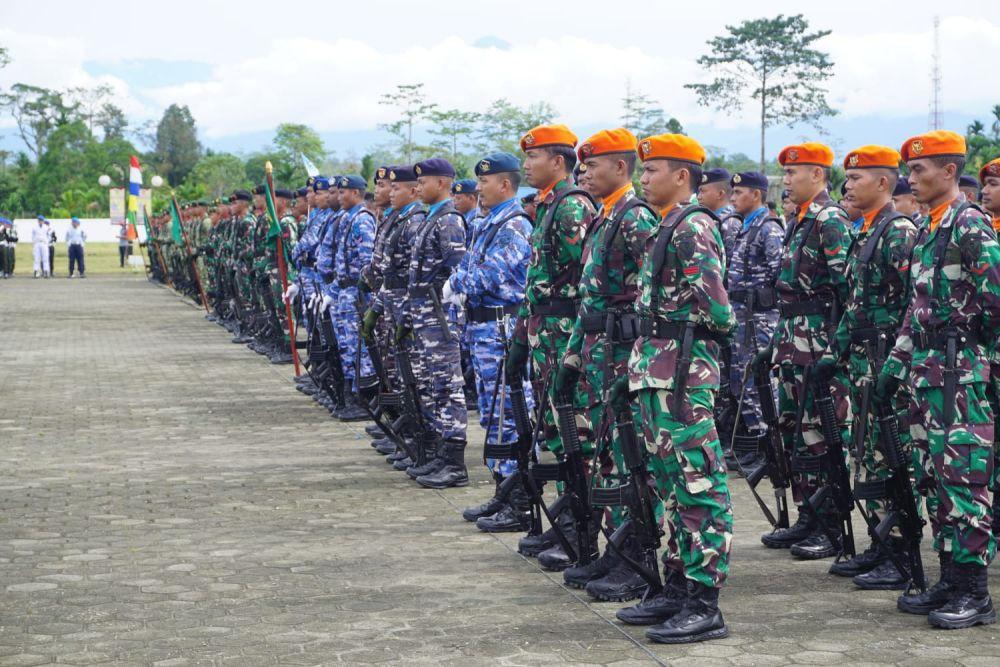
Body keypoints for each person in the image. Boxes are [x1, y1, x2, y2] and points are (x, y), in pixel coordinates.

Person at [611, 132, 736, 643]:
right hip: (657, 370)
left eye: (651, 170)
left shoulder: (692, 228)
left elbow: (719, 311)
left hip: (684, 372)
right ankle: (678, 587)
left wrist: (680, 345)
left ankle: (705, 603)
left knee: (698, 484)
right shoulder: (666, 225)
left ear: (682, 177)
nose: (642, 178)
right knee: (668, 484)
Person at [876, 130, 1000, 629]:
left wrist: (980, 359)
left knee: (966, 480)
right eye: (909, 170)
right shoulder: (931, 227)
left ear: (950, 172)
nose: (912, 178)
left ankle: (974, 591)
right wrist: (894, 366)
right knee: (935, 479)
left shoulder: (970, 226)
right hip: (927, 375)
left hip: (961, 375)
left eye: (920, 169)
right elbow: (917, 308)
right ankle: (950, 576)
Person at [551, 128, 660, 600]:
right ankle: (617, 552)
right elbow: (589, 299)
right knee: (606, 456)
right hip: (599, 353)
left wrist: (639, 361)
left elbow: (655, 295)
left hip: (624, 355)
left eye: (592, 165)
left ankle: (636, 558)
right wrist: (573, 357)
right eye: (581, 165)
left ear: (620, 167)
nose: (583, 173)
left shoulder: (635, 218)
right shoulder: (604, 217)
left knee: (629, 455)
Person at [814, 146, 918, 588]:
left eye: (857, 179)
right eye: (847, 178)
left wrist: (896, 365)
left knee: (893, 458)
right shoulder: (868, 232)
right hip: (862, 362)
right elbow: (856, 307)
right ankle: (881, 543)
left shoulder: (899, 233)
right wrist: (833, 355)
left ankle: (899, 550)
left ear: (883, 183)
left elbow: (918, 304)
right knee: (868, 456)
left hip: (885, 363)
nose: (847, 186)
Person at [754, 142, 854, 559]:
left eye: (795, 173)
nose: (788, 181)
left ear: (817, 175)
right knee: (796, 433)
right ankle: (808, 516)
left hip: (819, 342)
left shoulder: (830, 219)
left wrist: (837, 348)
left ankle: (831, 526)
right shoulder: (799, 219)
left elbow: (848, 288)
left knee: (822, 434)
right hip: (793, 341)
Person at [503, 124, 596, 563]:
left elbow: (587, 283)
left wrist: (576, 349)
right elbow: (540, 284)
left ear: (558, 162)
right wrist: (522, 338)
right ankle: (566, 519)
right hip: (546, 335)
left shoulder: (572, 206)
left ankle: (580, 526)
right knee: (555, 433)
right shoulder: (548, 205)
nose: (525, 165)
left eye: (533, 156)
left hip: (566, 338)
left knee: (575, 432)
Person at [448, 152, 533, 528]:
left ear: (505, 184)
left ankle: (521, 502)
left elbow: (492, 275)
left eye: (484, 181)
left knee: (510, 417)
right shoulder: (488, 223)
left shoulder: (514, 225)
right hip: (482, 332)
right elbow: (469, 266)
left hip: (502, 330)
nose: (477, 187)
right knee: (491, 416)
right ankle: (503, 492)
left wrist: (458, 284)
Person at [723, 171, 784, 471]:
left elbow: (779, 275)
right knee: (742, 384)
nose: (733, 198)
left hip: (759, 320)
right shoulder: (747, 227)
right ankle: (757, 445)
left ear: (756, 195)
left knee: (760, 384)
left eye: (738, 193)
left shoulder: (768, 228)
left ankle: (771, 448)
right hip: (742, 319)